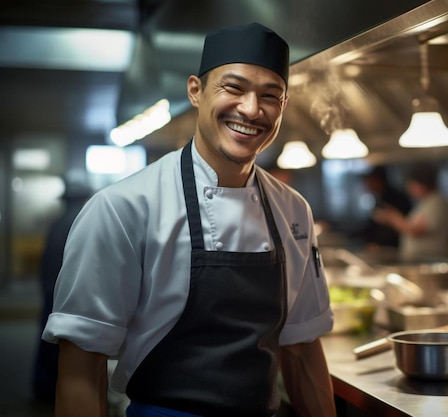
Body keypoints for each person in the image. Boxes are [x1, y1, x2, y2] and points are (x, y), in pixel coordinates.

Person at [43, 22, 336, 417]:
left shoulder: (293, 209)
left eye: (270, 95)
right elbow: (81, 367)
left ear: (283, 106)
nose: (251, 109)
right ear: (195, 91)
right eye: (233, 88)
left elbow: (301, 349)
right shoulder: (124, 208)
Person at [32, 176, 92, 404]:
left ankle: (42, 390)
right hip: (66, 293)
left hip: (51, 290)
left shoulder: (58, 222)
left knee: (47, 342)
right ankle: (51, 393)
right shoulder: (80, 220)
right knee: (63, 347)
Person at [372, 162, 448, 263]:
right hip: (421, 260)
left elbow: (416, 230)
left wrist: (393, 217)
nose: (409, 188)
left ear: (422, 184)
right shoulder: (426, 202)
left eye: (412, 184)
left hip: (430, 261)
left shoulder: (436, 203)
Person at [358, 166, 411, 250]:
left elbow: (400, 227)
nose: (367, 185)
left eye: (370, 181)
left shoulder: (396, 198)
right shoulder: (379, 198)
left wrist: (379, 243)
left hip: (394, 248)